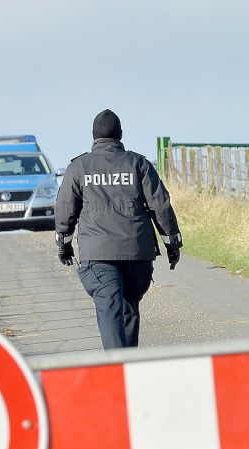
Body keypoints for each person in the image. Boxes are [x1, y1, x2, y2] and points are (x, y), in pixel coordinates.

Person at [54, 109, 182, 349]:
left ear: (93, 136)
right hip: (136, 254)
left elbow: (65, 209)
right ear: (120, 135)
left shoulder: (79, 167)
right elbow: (160, 205)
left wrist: (64, 243)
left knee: (110, 308)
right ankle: (128, 367)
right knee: (128, 309)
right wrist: (172, 243)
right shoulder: (138, 163)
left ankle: (117, 370)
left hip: (98, 255)